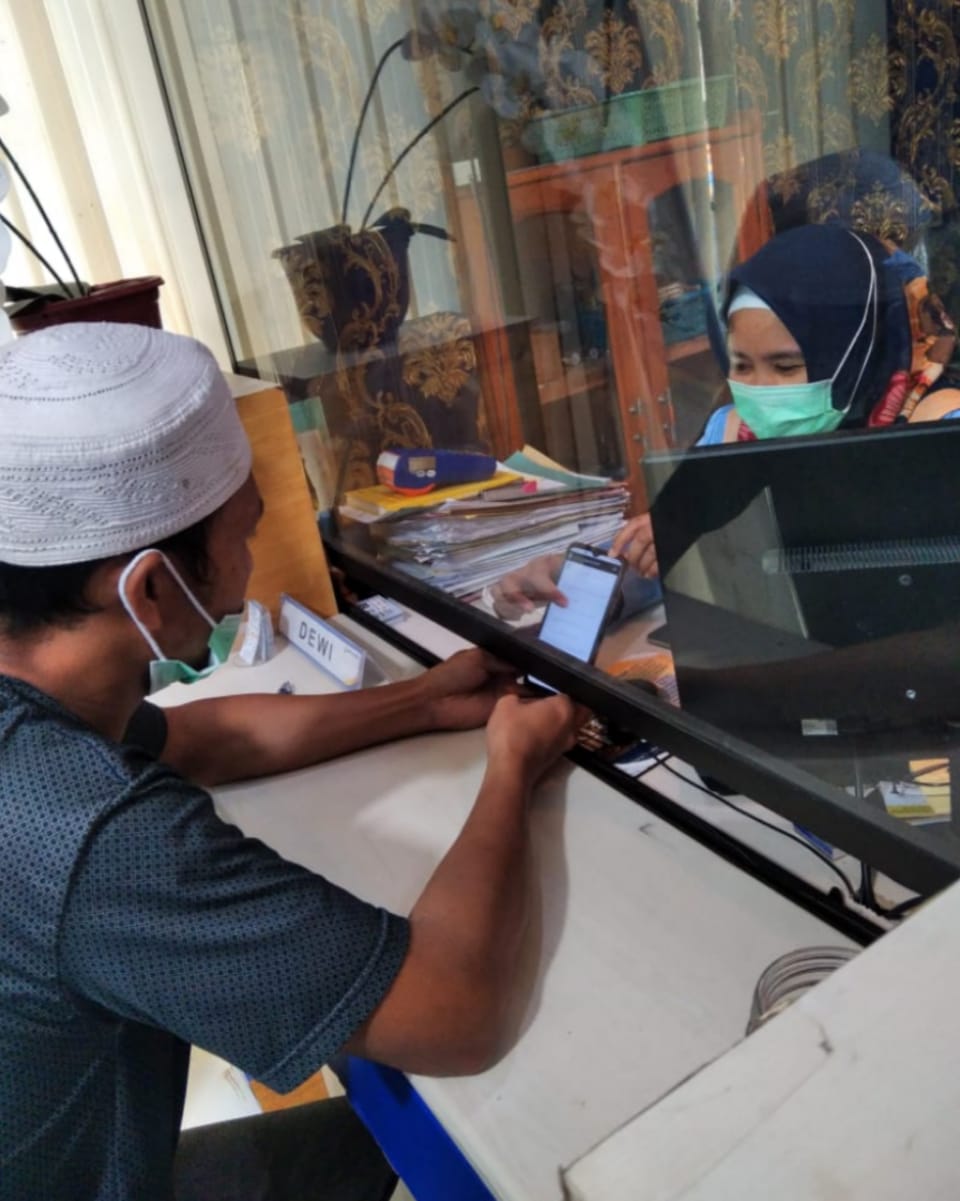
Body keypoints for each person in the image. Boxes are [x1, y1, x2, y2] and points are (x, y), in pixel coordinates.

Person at [0, 322, 584, 1201]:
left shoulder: (42, 707)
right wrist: (511, 766)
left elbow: (206, 737)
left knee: (357, 1138)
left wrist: (425, 701)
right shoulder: (93, 835)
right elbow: (457, 1010)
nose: (247, 570)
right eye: (243, 535)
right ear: (149, 588)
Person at [491, 222, 960, 615]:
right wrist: (580, 579)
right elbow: (670, 561)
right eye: (740, 365)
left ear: (856, 353)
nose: (760, 391)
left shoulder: (939, 428)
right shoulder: (731, 433)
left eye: (785, 367)